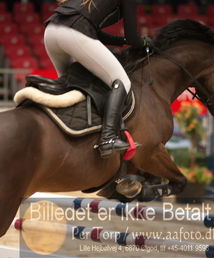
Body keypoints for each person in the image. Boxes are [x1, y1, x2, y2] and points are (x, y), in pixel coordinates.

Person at [44, 0, 146, 158]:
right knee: (121, 81)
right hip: (73, 33)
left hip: (51, 32)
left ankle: (61, 133)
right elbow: (133, 37)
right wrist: (144, 42)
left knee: (70, 85)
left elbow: (96, 32)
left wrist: (122, 42)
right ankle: (108, 138)